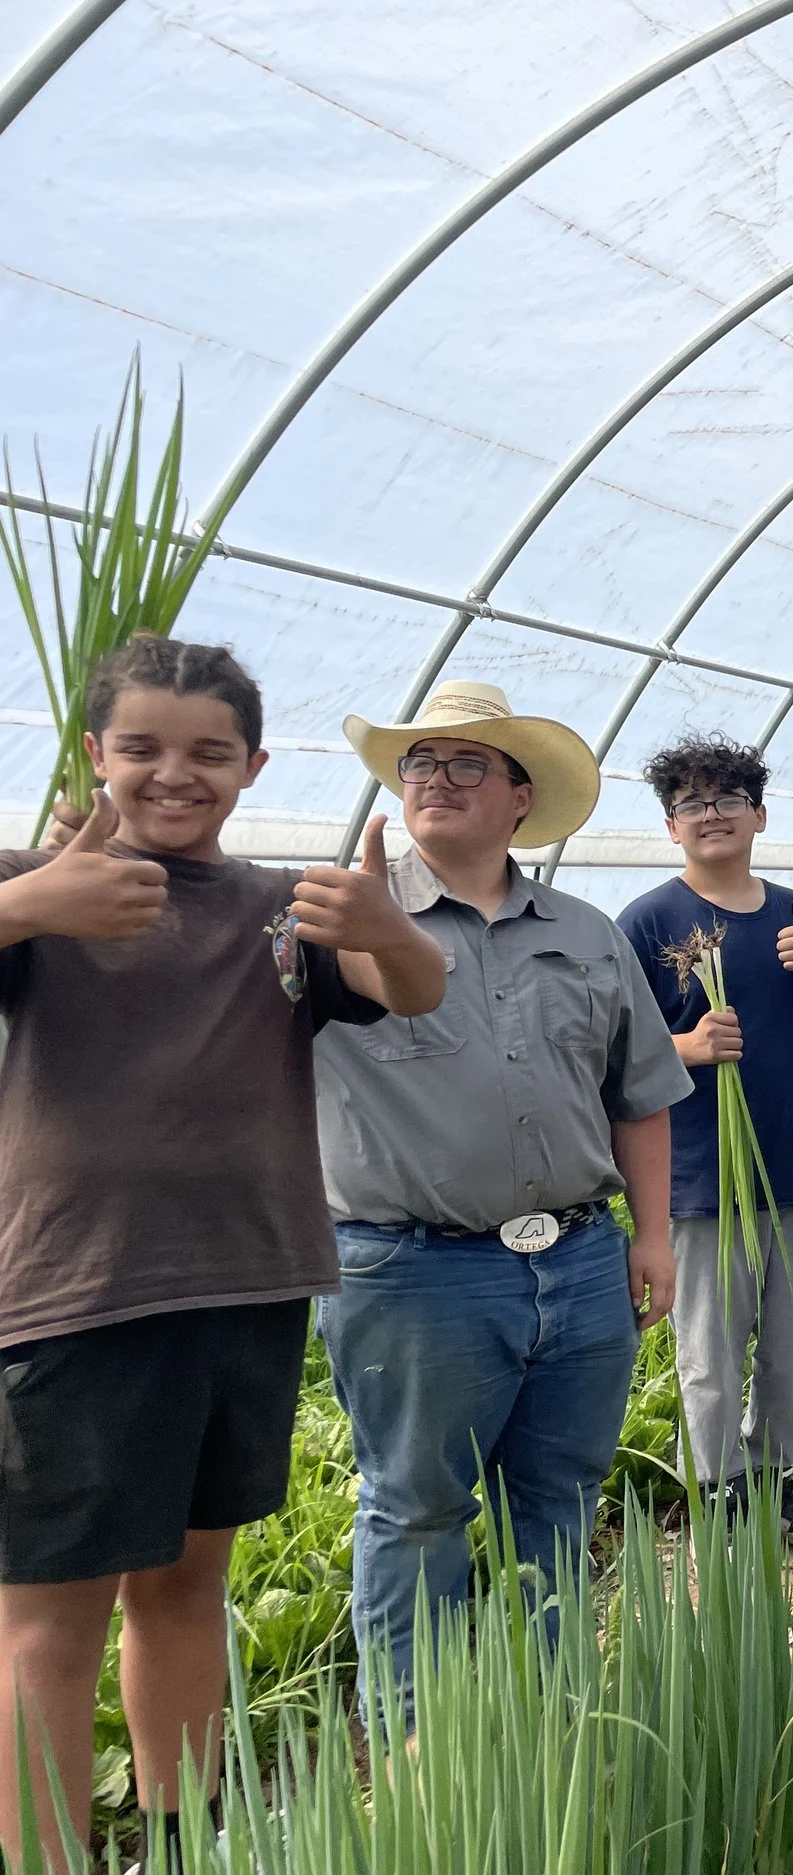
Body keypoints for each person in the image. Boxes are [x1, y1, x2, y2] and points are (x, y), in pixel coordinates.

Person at [0, 637, 443, 1864]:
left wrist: (384, 924)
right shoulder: (38, 882)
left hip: (246, 1281)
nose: (172, 774)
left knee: (188, 1585)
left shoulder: (278, 913)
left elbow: (416, 990)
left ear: (252, 765)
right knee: (48, 1621)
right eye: (139, 748)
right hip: (81, 1294)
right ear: (96, 755)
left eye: (206, 752)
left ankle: (184, 1840)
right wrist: (29, 903)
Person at [312, 680, 692, 1716]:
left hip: (576, 1260)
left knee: (561, 1503)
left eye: (466, 762)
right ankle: (418, 1750)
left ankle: (557, 1726)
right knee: (414, 1511)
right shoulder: (342, 923)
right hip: (413, 1270)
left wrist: (651, 1237)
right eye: (419, 763)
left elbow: (639, 1094)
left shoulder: (585, 931)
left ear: (521, 796)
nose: (435, 778)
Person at [619, 737, 793, 1525]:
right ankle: (720, 1489)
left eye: (728, 799)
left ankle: (777, 1477)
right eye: (691, 803)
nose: (711, 814)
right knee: (711, 1356)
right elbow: (609, 1056)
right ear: (670, 827)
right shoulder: (650, 921)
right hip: (700, 1182)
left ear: (759, 814)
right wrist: (686, 1047)